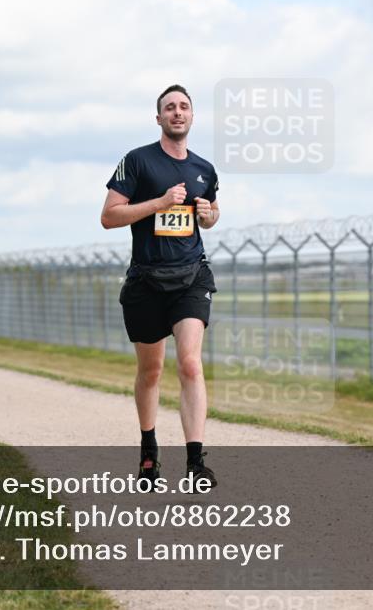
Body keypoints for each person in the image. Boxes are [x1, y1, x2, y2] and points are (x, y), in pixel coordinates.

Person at [101, 84, 221, 490]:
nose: (177, 112)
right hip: (147, 280)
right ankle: (149, 452)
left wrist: (208, 214)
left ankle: (195, 463)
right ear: (159, 118)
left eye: (184, 107)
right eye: (169, 107)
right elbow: (109, 216)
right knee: (151, 371)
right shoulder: (137, 161)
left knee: (190, 362)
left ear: (192, 116)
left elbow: (212, 213)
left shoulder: (204, 168)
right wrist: (158, 203)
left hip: (191, 276)